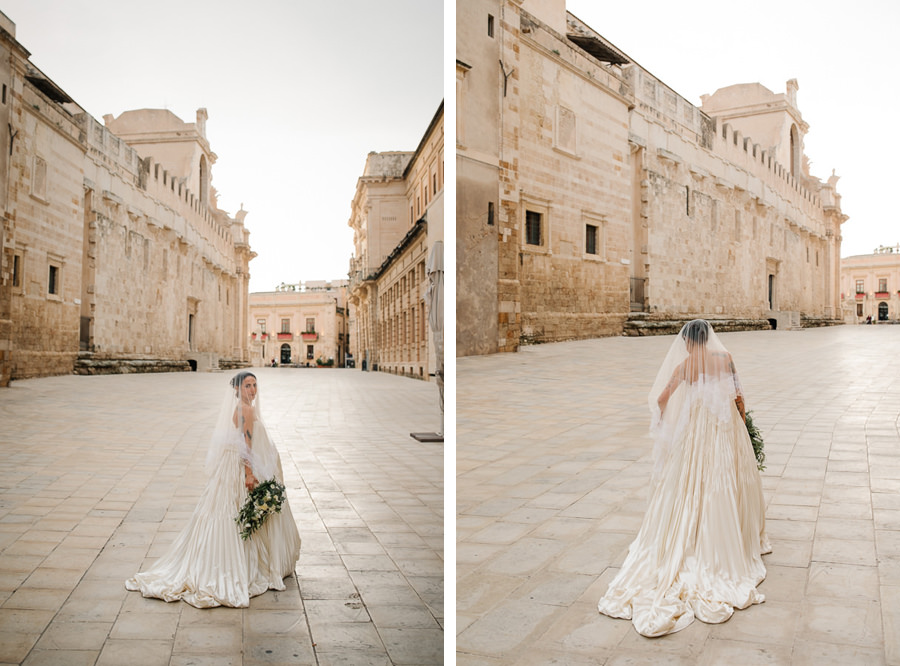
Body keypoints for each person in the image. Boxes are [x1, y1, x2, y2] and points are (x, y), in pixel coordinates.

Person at [597, 319, 770, 637]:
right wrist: (744, 427)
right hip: (722, 429)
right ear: (710, 339)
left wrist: (663, 419)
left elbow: (663, 397)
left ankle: (687, 531)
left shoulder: (686, 365)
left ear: (689, 342)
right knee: (725, 479)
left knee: (687, 482)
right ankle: (730, 532)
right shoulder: (725, 357)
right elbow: (739, 395)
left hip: (694, 431)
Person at [125, 371, 301, 607]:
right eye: (247, 385)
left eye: (255, 385)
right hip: (241, 467)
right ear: (237, 389)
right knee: (234, 511)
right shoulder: (245, 409)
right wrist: (249, 474)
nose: (252, 390)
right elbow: (246, 443)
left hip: (234, 464)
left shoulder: (244, 407)